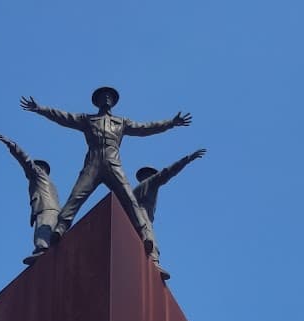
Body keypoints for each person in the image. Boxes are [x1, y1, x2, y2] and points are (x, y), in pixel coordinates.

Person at [20, 86, 192, 252]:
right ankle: (60, 229)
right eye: (103, 96)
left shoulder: (122, 122)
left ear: (114, 102)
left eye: (110, 96)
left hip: (113, 164)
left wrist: (171, 123)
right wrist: (40, 109)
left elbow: (146, 128)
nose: (107, 98)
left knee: (129, 200)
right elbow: (63, 117)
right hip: (93, 164)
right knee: (76, 197)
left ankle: (145, 235)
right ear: (97, 101)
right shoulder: (87, 120)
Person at [134, 148, 206, 280]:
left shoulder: (134, 190)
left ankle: (144, 259)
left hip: (130, 217)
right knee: (150, 239)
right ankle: (154, 264)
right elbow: (168, 172)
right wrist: (188, 159)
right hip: (141, 215)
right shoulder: (151, 182)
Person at [0, 132, 60, 262]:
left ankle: (42, 252)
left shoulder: (39, 175)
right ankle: (50, 254)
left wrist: (11, 145)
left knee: (42, 232)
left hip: (46, 209)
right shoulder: (50, 183)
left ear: (41, 168)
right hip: (54, 210)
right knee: (50, 234)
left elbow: (25, 160)